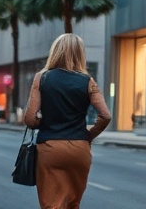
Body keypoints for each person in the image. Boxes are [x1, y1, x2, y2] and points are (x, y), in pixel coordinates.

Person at [25, 33, 112, 209]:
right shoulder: (88, 81)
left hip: (50, 147)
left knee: (51, 205)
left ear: (55, 52)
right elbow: (106, 116)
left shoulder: (42, 78)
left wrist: (46, 121)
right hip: (79, 149)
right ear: (80, 54)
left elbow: (30, 119)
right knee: (73, 204)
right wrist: (88, 135)